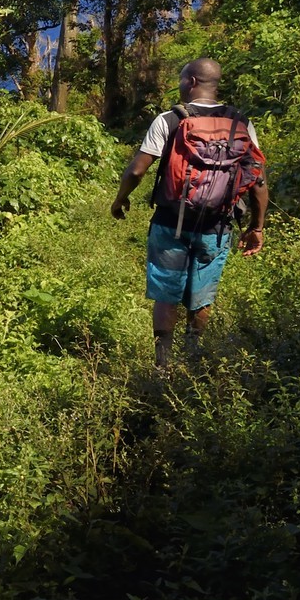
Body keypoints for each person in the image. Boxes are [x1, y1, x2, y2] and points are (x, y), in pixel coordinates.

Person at [110, 58, 268, 368]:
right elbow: (258, 181)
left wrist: (120, 199)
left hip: (170, 224)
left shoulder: (169, 120)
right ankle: (193, 360)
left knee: (166, 295)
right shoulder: (240, 123)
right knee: (202, 295)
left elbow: (137, 171)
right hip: (218, 227)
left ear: (192, 82)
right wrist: (257, 226)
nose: (180, 86)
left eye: (182, 80)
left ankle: (163, 365)